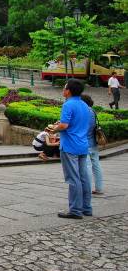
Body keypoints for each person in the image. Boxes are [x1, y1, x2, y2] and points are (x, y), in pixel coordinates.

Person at [51, 79, 92, 219]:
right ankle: (86, 207)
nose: (63, 90)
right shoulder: (85, 105)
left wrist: (53, 130)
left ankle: (75, 210)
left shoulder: (68, 104)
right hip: (83, 144)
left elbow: (64, 126)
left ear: (68, 91)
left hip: (70, 145)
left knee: (73, 178)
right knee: (84, 178)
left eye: (64, 87)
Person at [82, 94, 104, 195]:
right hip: (93, 141)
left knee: (87, 166)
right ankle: (99, 188)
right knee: (96, 165)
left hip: (85, 143)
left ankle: (87, 188)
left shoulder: (83, 111)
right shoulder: (93, 111)